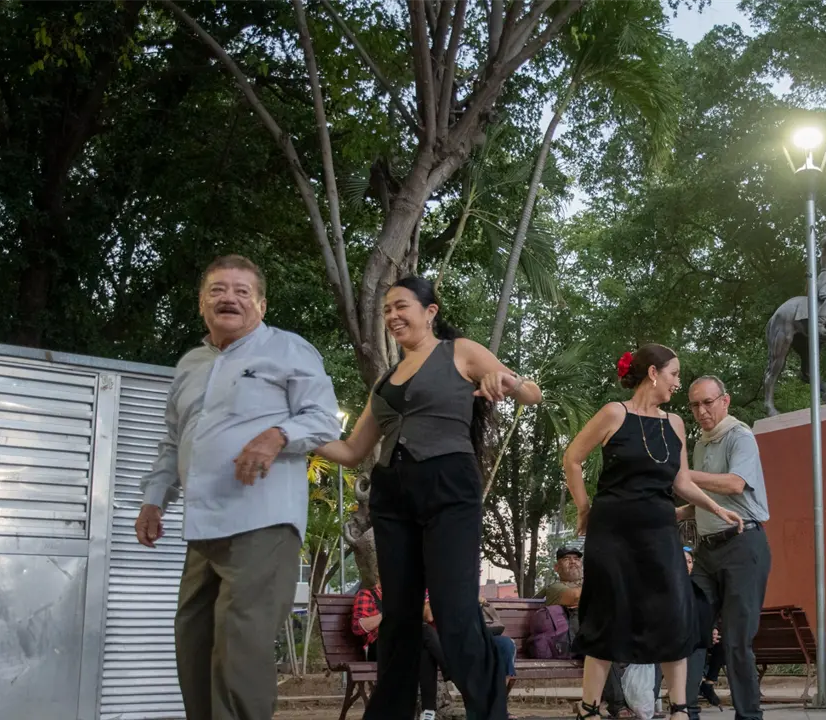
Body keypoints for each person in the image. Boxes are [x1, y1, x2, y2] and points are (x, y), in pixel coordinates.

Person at [315, 276, 543, 720]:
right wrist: (298, 434)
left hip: (448, 488)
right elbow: (352, 450)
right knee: (398, 620)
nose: (393, 316)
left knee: (453, 613)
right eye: (386, 310)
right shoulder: (384, 381)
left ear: (430, 312)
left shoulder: (458, 351)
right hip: (392, 496)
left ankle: (488, 712)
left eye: (401, 306)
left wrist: (505, 380)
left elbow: (531, 393)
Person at [135, 255, 341, 720]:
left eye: (242, 291)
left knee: (240, 647)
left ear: (261, 305)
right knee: (194, 644)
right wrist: (153, 501)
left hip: (263, 521)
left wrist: (276, 435)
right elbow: (173, 441)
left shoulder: (288, 349)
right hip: (202, 527)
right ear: (202, 303)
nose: (229, 298)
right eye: (218, 290)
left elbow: (323, 419)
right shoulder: (190, 363)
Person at [562, 344, 744, 720]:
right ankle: (589, 708)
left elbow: (680, 480)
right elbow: (573, 458)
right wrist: (584, 508)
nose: (678, 382)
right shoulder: (615, 412)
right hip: (612, 532)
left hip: (660, 532)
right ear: (653, 374)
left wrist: (714, 506)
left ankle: (679, 708)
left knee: (672, 613)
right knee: (608, 614)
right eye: (675, 374)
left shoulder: (674, 423)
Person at [678, 375, 771, 720]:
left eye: (708, 402)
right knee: (690, 625)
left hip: (743, 545)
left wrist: (683, 475)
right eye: (694, 405)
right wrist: (666, 513)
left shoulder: (740, 436)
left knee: (735, 639)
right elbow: (703, 498)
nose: (701, 411)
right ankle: (684, 711)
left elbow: (733, 484)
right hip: (706, 551)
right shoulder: (701, 444)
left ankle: (749, 715)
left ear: (725, 401)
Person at [352, 583, 448, 720]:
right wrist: (388, 614)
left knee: (424, 649)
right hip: (378, 646)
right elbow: (358, 628)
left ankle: (428, 713)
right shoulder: (367, 595)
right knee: (424, 631)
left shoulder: (405, 595)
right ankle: (450, 668)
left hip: (403, 646)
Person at [682, 547, 720, 720]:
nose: (687, 566)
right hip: (670, 640)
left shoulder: (699, 587)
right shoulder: (667, 586)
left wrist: (711, 629)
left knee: (699, 651)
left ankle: (691, 709)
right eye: (682, 562)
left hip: (695, 639)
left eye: (689, 562)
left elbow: (708, 613)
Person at [536, 546, 584, 633]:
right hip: (571, 640)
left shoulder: (589, 582)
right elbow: (575, 596)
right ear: (556, 567)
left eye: (576, 559)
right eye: (566, 559)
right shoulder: (554, 588)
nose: (573, 562)